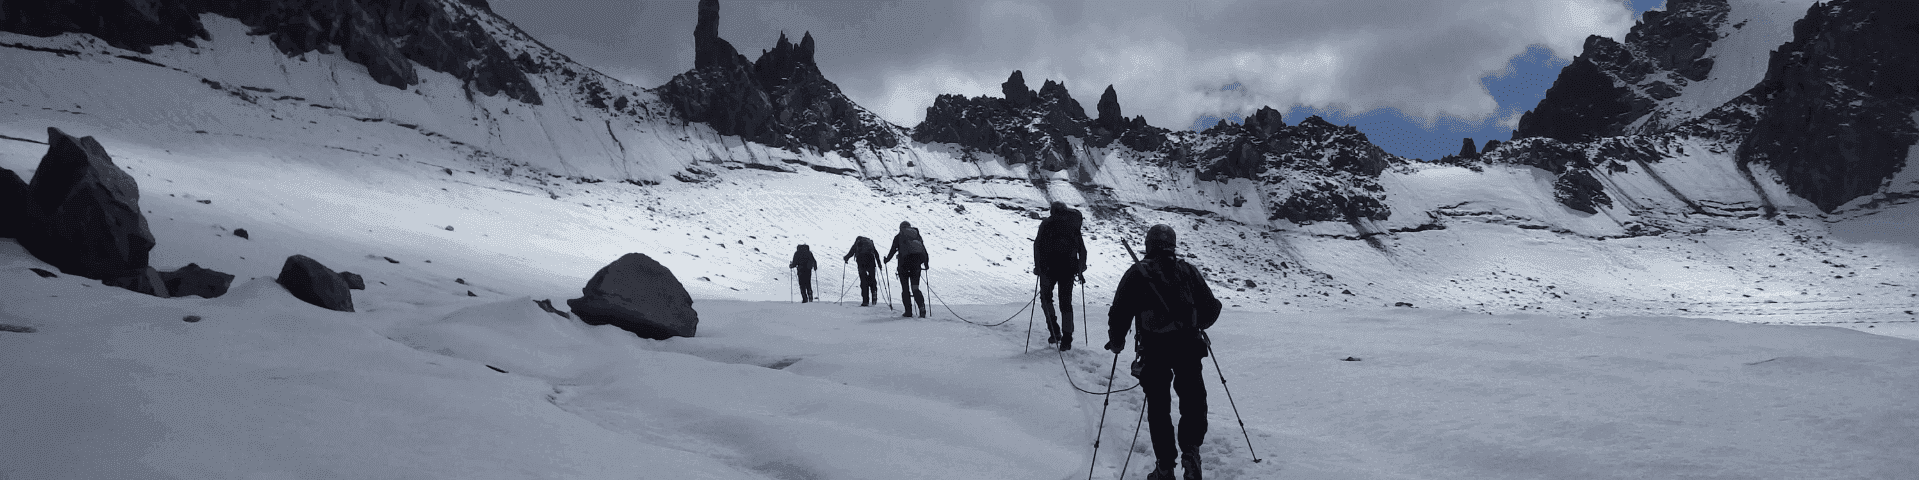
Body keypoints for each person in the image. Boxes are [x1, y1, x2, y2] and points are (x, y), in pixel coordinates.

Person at [1104, 224, 1222, 480]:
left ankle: (1165, 467)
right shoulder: (1187, 271)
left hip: (1154, 349)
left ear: (1148, 245)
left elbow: (1120, 311)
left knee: (1159, 407)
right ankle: (1191, 451)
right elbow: (1211, 309)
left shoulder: (1137, 273)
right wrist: (1195, 322)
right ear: (1172, 245)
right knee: (1192, 399)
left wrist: (1117, 342)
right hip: (1188, 346)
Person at [1033, 201, 1087, 350]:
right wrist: (1081, 269)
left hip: (1048, 270)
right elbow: (1082, 249)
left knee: (1046, 299)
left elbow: (1037, 246)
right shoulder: (1073, 226)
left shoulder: (1047, 224)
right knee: (1066, 304)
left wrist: (1038, 267)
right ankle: (1067, 338)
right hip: (1068, 270)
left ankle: (1054, 330)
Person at [882, 221, 929, 317]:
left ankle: (908, 311)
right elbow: (924, 250)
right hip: (916, 266)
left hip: (903, 266)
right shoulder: (916, 236)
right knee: (915, 288)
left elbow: (892, 250)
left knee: (905, 289)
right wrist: (926, 263)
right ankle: (922, 308)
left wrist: (886, 260)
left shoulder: (899, 236)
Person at [843, 236, 881, 306]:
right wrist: (879, 264)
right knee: (872, 278)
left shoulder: (858, 242)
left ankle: (865, 301)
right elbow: (876, 253)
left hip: (861, 260)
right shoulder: (870, 243)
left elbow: (851, 252)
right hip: (871, 260)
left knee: (863, 280)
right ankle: (874, 292)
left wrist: (846, 258)